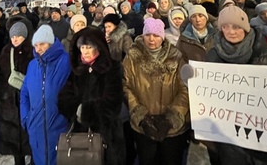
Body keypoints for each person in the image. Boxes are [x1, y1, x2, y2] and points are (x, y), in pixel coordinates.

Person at [203, 6, 267, 164]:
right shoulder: (213, 56)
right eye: (225, 27)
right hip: (230, 140)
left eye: (236, 27)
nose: (231, 32)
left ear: (246, 28)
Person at [123, 18, 190, 165]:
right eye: (148, 35)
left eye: (156, 35)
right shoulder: (132, 57)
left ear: (162, 37)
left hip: (172, 130)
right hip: (144, 127)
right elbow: (125, 86)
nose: (151, 39)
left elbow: (184, 88)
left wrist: (172, 117)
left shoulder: (176, 56)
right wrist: (141, 115)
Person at [58, 27, 125, 165]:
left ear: (98, 47)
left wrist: (86, 111)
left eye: (89, 47)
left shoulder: (111, 67)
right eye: (82, 47)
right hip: (80, 133)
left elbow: (113, 101)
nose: (85, 51)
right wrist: (75, 109)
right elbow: (64, 97)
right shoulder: (77, 69)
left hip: (107, 134)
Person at [20, 25, 71, 165]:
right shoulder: (32, 65)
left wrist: (68, 116)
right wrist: (26, 118)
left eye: (42, 44)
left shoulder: (66, 61)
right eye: (35, 45)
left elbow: (75, 91)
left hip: (60, 125)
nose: (38, 49)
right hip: (35, 126)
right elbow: (24, 93)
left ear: (51, 43)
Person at [0, 20, 34, 165]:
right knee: (13, 137)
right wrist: (1, 92)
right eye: (13, 36)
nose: (15, 39)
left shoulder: (32, 50)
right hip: (9, 99)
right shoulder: (6, 51)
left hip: (28, 98)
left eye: (18, 36)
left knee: (29, 134)